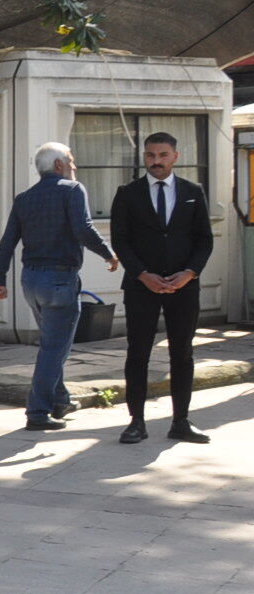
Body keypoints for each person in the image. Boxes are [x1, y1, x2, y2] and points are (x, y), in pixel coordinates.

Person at [0, 142, 118, 432]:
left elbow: (7, 242)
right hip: (60, 279)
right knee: (54, 349)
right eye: (71, 161)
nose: (75, 166)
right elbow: (83, 229)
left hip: (30, 281)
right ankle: (38, 412)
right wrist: (108, 254)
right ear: (58, 165)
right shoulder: (72, 190)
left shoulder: (24, 198)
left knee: (52, 343)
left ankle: (60, 400)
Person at [110, 132, 213, 445]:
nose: (156, 161)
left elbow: (204, 240)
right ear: (144, 156)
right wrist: (143, 274)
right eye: (151, 155)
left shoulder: (192, 191)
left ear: (175, 156)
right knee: (138, 353)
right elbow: (120, 241)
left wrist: (189, 273)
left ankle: (181, 421)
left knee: (182, 353)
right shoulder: (127, 193)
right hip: (141, 286)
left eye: (163, 155)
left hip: (184, 286)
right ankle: (136, 422)